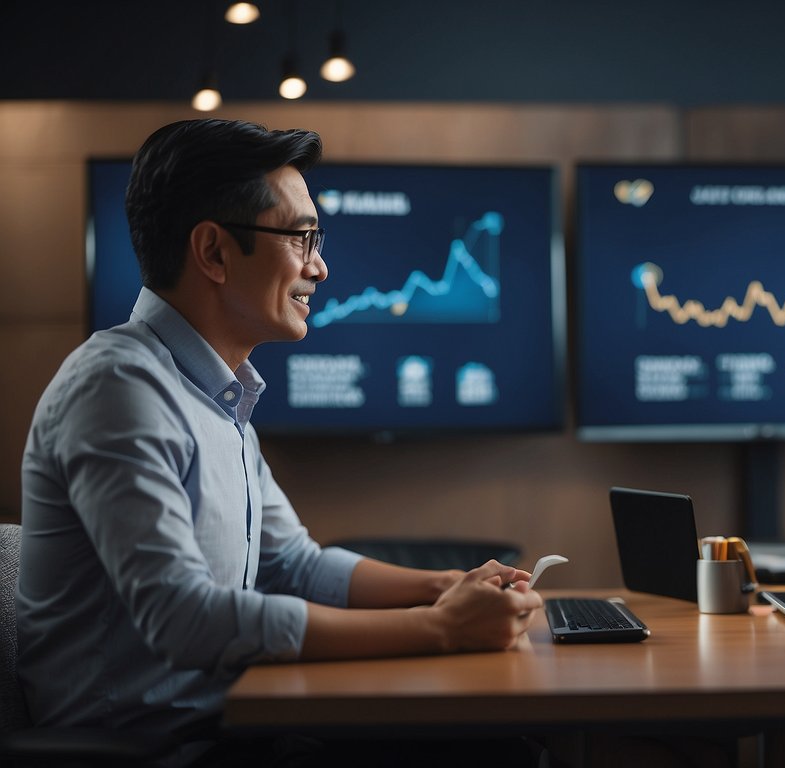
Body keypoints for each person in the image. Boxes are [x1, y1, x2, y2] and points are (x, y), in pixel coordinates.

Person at [17, 119, 543, 759]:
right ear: (213, 252)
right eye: (300, 238)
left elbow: (295, 566)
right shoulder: (118, 389)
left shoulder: (220, 394)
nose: (319, 267)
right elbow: (183, 619)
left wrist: (448, 586)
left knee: (502, 744)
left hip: (229, 722)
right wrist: (437, 629)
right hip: (154, 749)